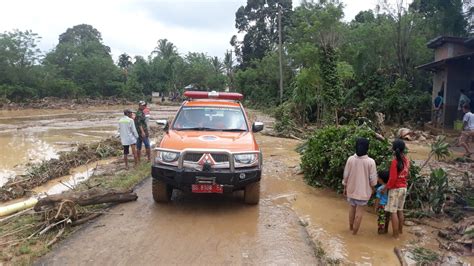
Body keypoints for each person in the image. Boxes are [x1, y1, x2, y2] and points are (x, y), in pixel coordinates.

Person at [342, 138, 377, 235]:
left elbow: (346, 175)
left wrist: (345, 187)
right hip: (364, 192)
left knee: (352, 208)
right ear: (367, 148)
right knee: (359, 212)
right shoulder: (371, 162)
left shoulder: (350, 159)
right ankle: (354, 234)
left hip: (351, 189)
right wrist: (373, 189)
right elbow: (373, 179)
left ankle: (350, 228)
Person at [384, 139, 410, 238]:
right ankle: (400, 231)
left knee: (393, 212)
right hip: (404, 188)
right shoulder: (407, 160)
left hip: (395, 189)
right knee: (400, 210)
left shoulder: (395, 162)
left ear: (394, 149)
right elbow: (406, 174)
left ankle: (395, 236)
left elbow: (392, 178)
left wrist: (385, 188)